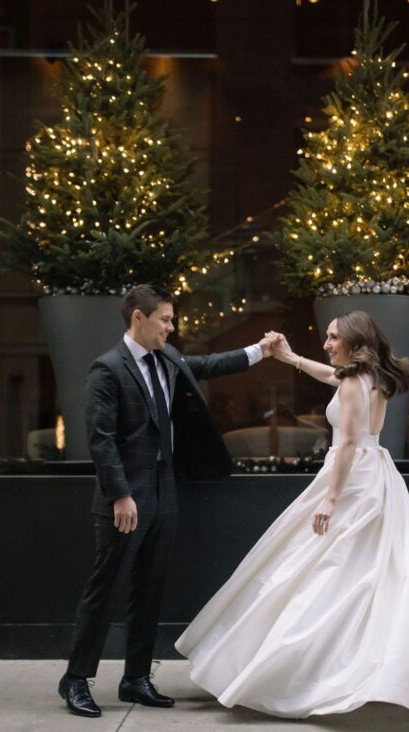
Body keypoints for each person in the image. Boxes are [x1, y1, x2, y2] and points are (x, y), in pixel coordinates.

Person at [175, 311, 409, 719]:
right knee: (370, 573)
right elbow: (330, 377)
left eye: (334, 338)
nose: (328, 344)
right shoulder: (373, 376)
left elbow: (348, 442)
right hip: (376, 475)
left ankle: (315, 670)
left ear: (354, 342)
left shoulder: (353, 381)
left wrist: (330, 499)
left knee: (326, 571)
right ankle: (364, 665)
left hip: (351, 480)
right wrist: (291, 358)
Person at [58, 284, 276, 718]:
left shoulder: (169, 359)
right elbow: (100, 441)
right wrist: (120, 495)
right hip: (126, 496)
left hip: (164, 488)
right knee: (105, 590)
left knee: (149, 587)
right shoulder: (107, 369)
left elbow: (209, 365)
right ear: (138, 318)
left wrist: (260, 350)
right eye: (165, 320)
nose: (172, 328)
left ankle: (135, 678)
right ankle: (76, 681)